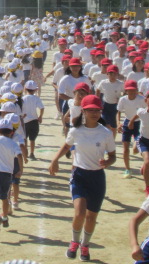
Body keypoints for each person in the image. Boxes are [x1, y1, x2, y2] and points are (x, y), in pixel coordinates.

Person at [49, 95, 117, 262]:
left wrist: (107, 162)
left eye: (97, 110)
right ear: (83, 111)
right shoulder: (76, 131)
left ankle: (85, 245)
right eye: (90, 110)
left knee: (91, 217)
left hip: (97, 177)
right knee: (79, 213)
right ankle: (74, 242)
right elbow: (66, 146)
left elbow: (113, 156)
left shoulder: (106, 133)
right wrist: (55, 160)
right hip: (79, 175)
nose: (94, 113)